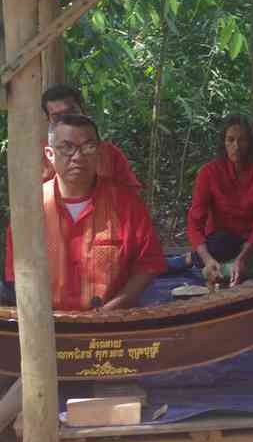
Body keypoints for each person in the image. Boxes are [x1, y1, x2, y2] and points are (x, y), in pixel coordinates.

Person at [5, 115, 165, 311]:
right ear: (50, 154)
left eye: (88, 147)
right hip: (46, 330)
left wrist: (109, 311)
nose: (78, 157)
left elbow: (148, 264)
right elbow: (18, 274)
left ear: (98, 152)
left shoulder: (127, 204)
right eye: (66, 147)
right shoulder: (29, 208)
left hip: (113, 326)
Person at [172, 115, 253, 284]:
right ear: (223, 142)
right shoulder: (208, 172)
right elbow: (195, 223)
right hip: (226, 238)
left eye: (242, 140)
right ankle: (191, 258)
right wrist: (208, 260)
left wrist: (243, 258)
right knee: (217, 246)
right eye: (230, 140)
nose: (236, 146)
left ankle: (201, 259)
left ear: (250, 143)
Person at [40, 84, 140, 188]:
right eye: (57, 117)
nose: (66, 119)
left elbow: (131, 193)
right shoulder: (41, 159)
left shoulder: (109, 154)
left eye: (71, 112)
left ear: (83, 110)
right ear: (49, 120)